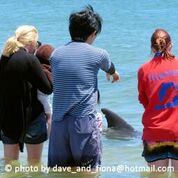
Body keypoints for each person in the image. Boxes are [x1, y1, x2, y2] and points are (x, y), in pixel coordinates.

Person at [48, 5, 120, 169]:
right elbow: (110, 67)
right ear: (93, 33)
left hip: (58, 124)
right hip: (83, 123)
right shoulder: (99, 54)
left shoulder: (55, 54)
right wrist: (114, 74)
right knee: (88, 170)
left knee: (59, 171)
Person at [0, 25, 53, 164]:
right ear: (31, 42)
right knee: (34, 166)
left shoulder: (4, 57)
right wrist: (46, 70)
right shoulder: (30, 60)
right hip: (32, 118)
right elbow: (48, 88)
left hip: (8, 119)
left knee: (10, 166)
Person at [138, 29, 178, 175]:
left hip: (154, 133)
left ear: (151, 47)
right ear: (171, 45)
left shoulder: (143, 70)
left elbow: (143, 100)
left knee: (156, 176)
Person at [36, 44, 54, 137]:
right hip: (44, 100)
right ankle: (51, 138)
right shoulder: (48, 70)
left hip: (35, 99)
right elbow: (51, 88)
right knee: (50, 117)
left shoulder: (35, 67)